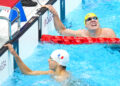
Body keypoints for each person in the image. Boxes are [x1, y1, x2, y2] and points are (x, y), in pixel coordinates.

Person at [4, 43, 70, 82]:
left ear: (58, 63)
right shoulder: (52, 73)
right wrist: (15, 54)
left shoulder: (63, 80)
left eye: (51, 59)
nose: (48, 60)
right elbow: (28, 72)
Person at [43, 5, 116, 38]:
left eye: (95, 18)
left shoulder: (108, 32)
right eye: (89, 19)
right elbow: (61, 30)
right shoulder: (81, 34)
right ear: (85, 25)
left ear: (99, 23)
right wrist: (55, 14)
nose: (93, 20)